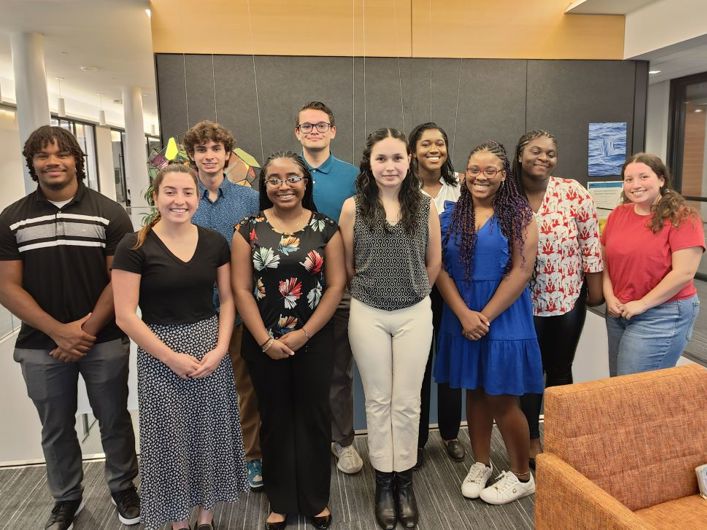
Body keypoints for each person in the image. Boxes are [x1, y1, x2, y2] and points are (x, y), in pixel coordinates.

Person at [0, 125, 140, 530]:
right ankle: (67, 498)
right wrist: (59, 331)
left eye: (60, 154)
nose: (52, 162)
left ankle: (123, 488)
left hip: (104, 339)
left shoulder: (109, 212)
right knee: (56, 425)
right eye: (42, 156)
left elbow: (121, 280)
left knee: (113, 417)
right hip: (39, 344)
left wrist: (85, 330)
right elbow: (7, 286)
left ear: (76, 159)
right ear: (32, 164)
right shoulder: (13, 219)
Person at [112, 164, 248, 530]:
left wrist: (220, 350)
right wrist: (170, 357)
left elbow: (229, 301)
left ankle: (206, 516)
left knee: (210, 433)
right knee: (169, 440)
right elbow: (125, 315)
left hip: (209, 347)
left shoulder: (214, 242)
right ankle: (176, 520)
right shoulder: (135, 245)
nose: (179, 200)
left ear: (196, 198)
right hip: (160, 353)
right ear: (155, 197)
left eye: (187, 192)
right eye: (170, 192)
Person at [232, 151, 346, 530]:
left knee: (314, 418)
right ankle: (280, 501)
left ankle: (315, 500)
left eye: (293, 177)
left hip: (312, 340)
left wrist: (303, 333)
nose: (284, 186)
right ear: (265, 185)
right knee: (275, 420)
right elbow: (241, 290)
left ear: (305, 182)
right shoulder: (247, 229)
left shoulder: (326, 228)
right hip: (263, 343)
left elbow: (336, 286)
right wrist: (265, 340)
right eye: (275, 179)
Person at [339, 128, 441, 530]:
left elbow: (434, 262)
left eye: (397, 158)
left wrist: (415, 293)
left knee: (408, 401)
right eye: (381, 158)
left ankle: (405, 481)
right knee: (379, 400)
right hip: (368, 313)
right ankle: (384, 482)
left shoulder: (426, 206)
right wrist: (373, 293)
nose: (390, 166)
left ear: (409, 161)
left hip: (415, 312)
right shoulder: (353, 208)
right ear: (369, 162)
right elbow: (347, 265)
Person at [434, 140, 543, 505]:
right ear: (464, 174)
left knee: (502, 398)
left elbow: (521, 272)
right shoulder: (448, 216)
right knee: (475, 392)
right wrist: (465, 315)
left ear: (503, 175)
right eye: (474, 170)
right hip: (460, 315)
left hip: (504, 317)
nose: (481, 177)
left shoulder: (520, 216)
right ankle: (481, 463)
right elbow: (439, 270)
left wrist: (485, 316)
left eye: (490, 170)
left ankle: (522, 475)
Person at [512, 130, 604, 468]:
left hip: (567, 297)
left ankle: (562, 436)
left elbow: (590, 243)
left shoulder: (572, 192)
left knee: (560, 367)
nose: (543, 158)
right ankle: (531, 439)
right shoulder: (506, 194)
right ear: (520, 155)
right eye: (536, 151)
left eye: (550, 153)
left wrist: (595, 292)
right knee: (529, 372)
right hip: (520, 302)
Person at [183, 120, 263, 491]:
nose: (209, 156)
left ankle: (251, 457)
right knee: (202, 387)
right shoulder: (183, 197)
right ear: (192, 156)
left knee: (245, 387)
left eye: (216, 149)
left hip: (244, 310)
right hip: (197, 311)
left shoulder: (249, 199)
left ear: (228, 155)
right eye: (202, 150)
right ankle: (208, 461)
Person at [294, 101, 363, 475]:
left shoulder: (353, 177)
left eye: (321, 125)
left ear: (333, 131)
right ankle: (306, 439)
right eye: (307, 126)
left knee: (339, 370)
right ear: (297, 133)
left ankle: (344, 441)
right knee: (297, 370)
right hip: (291, 292)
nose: (314, 131)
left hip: (340, 288)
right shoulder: (286, 173)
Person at [602, 153, 703, 376]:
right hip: (620, 311)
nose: (635, 185)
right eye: (629, 179)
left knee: (635, 392)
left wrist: (643, 304)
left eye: (643, 177)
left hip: (663, 311)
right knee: (617, 386)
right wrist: (609, 296)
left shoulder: (684, 217)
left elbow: (684, 273)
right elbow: (605, 260)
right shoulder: (619, 213)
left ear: (661, 179)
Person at [408, 122, 465, 467]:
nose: (434, 149)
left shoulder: (461, 185)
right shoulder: (403, 188)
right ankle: (416, 440)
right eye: (426, 143)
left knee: (450, 362)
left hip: (455, 287)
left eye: (440, 143)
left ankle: (450, 433)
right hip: (415, 287)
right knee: (418, 364)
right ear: (413, 150)